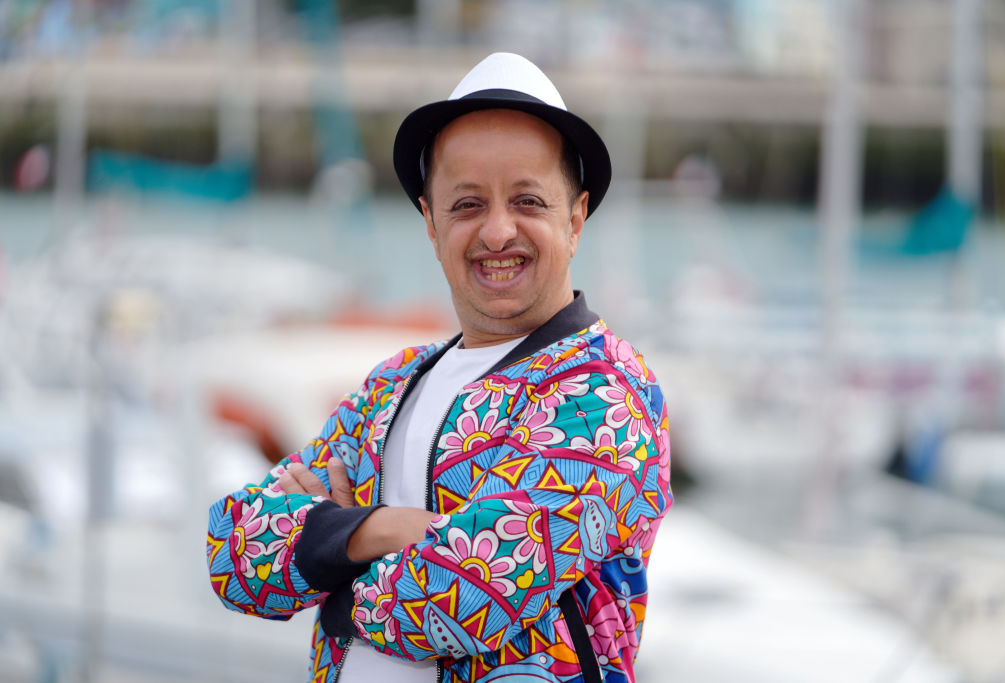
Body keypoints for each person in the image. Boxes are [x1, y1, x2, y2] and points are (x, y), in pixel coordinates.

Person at [206, 52, 673, 683]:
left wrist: (325, 575)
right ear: (430, 220)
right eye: (467, 204)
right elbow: (234, 550)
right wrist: (382, 530)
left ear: (576, 216)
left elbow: (463, 595)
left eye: (528, 200)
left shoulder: (605, 393)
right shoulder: (394, 384)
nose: (498, 230)